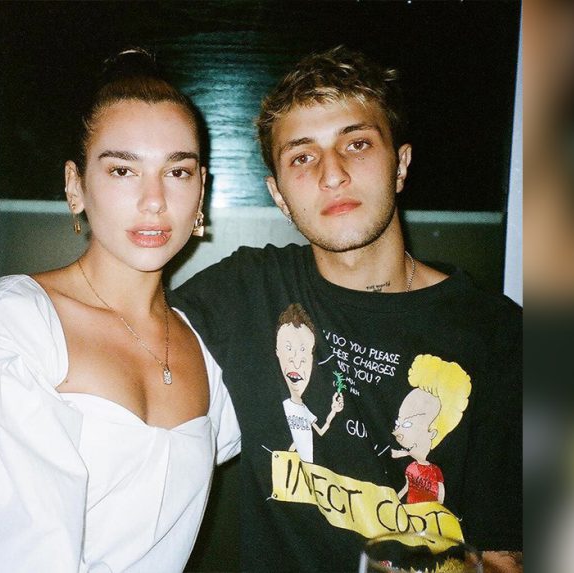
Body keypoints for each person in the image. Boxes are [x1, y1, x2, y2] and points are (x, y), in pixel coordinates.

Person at [172, 46, 522, 571]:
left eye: (356, 144)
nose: (332, 174)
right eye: (302, 156)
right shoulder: (247, 289)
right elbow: (120, 322)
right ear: (278, 195)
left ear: (400, 164)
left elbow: (504, 558)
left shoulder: (498, 337)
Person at [0, 49, 240, 572]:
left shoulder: (208, 348)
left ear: (202, 192)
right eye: (123, 170)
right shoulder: (17, 324)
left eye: (177, 171)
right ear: (75, 184)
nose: (154, 200)